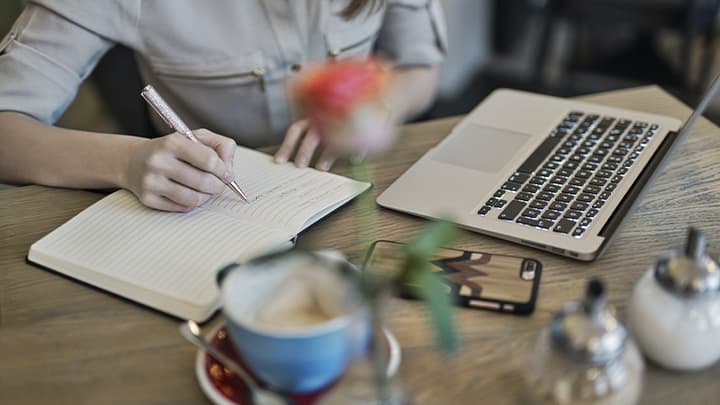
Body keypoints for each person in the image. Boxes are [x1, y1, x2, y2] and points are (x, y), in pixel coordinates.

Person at [0, 0, 447, 212]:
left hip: (363, 193)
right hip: (207, 209)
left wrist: (383, 106)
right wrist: (127, 160)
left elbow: (421, 68)